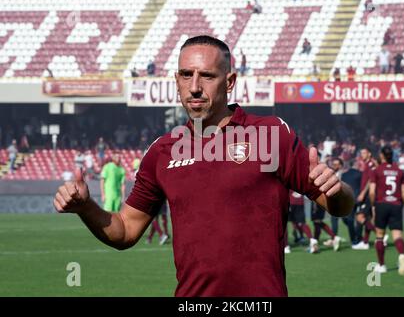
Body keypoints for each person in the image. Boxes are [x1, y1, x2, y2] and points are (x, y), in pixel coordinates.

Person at [53, 35, 354, 297]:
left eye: (207, 76)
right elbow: (126, 231)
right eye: (186, 75)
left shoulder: (270, 135)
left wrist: (337, 189)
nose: (194, 87)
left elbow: (340, 205)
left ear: (230, 81)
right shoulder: (162, 151)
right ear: (177, 80)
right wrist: (86, 207)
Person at [369, 146, 404, 275]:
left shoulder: (377, 170)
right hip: (396, 204)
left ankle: (382, 266)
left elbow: (372, 192)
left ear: (381, 155)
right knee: (397, 235)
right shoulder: (399, 171)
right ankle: (402, 255)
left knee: (379, 236)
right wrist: (400, 206)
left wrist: (373, 206)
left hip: (381, 204)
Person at [352, 148, 377, 250]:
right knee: (368, 219)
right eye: (361, 153)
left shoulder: (371, 164)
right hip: (367, 195)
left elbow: (371, 180)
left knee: (359, 217)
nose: (362, 155)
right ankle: (365, 242)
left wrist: (363, 193)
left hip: (368, 196)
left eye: (364, 153)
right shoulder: (368, 164)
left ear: (369, 153)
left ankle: (380, 235)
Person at [342, 159, 362, 246]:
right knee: (360, 219)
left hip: (347, 199)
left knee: (349, 220)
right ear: (356, 164)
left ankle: (353, 238)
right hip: (358, 199)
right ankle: (358, 237)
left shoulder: (344, 175)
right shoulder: (360, 174)